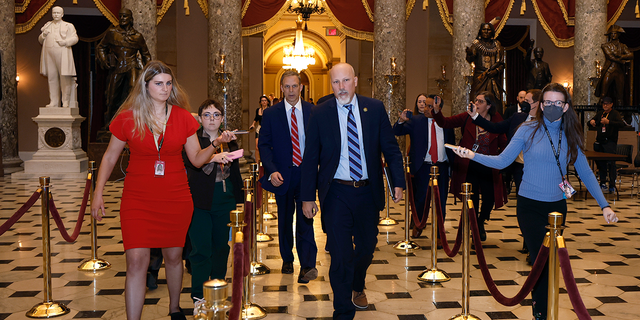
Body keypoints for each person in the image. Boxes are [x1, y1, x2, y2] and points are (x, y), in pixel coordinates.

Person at [452, 83, 618, 320]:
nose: (551, 107)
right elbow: (502, 161)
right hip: (529, 205)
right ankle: (541, 312)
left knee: (551, 264)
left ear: (565, 107)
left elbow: (586, 172)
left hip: (557, 208)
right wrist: (472, 155)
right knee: (542, 263)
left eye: (557, 103)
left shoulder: (570, 134)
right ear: (540, 105)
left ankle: (543, 308)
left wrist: (605, 205)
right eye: (547, 102)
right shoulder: (526, 130)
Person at [90, 61, 218, 320]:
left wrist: (215, 144)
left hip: (176, 197)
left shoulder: (183, 117)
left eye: (168, 83)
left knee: (174, 257)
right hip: (137, 198)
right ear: (145, 86)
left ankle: (174, 308)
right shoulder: (127, 117)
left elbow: (195, 158)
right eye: (159, 83)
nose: (165, 88)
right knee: (136, 260)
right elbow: (110, 157)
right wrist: (98, 192)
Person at [301, 63, 405, 319]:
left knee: (367, 247)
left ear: (355, 81)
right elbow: (310, 156)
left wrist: (398, 181)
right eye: (336, 83)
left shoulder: (375, 109)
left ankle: (358, 283)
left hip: (367, 193)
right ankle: (343, 310)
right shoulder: (320, 112)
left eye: (345, 81)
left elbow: (390, 149)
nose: (341, 87)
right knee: (340, 253)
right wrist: (306, 196)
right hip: (336, 193)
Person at [258, 70, 318, 283]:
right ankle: (286, 258)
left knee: (306, 219)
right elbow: (264, 145)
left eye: (295, 86)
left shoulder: (313, 111)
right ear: (281, 88)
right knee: (284, 220)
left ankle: (308, 265)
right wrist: (272, 169)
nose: (291, 91)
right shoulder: (271, 114)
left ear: (301, 87)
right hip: (281, 175)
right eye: (287, 87)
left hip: (305, 175)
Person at [184, 99, 242, 303]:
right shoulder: (192, 140)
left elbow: (234, 173)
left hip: (225, 200)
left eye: (216, 115)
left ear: (222, 118)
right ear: (200, 118)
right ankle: (199, 297)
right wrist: (214, 156)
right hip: (199, 200)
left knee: (221, 248)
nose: (212, 119)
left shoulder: (229, 139)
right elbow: (193, 164)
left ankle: (218, 293)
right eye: (207, 115)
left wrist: (239, 198)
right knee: (201, 250)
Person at [432, 91, 507, 241]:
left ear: (489, 105)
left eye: (480, 101)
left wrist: (503, 160)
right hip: (469, 164)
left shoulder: (497, 119)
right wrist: (436, 110)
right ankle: (475, 227)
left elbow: (503, 142)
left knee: (489, 198)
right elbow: (445, 123)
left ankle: (480, 222)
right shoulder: (467, 116)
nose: (476, 104)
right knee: (472, 197)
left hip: (489, 164)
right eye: (476, 101)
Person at [393, 94, 455, 238]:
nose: (425, 108)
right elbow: (397, 131)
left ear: (438, 107)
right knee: (421, 199)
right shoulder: (416, 120)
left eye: (429, 106)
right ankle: (419, 224)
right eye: (425, 105)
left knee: (441, 201)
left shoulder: (446, 123)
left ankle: (440, 235)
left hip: (442, 167)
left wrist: (453, 167)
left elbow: (451, 145)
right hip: (423, 166)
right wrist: (401, 121)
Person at [471, 89, 541, 195]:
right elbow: (495, 127)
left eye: (527, 100)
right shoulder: (518, 117)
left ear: (537, 103)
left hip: (538, 166)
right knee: (522, 195)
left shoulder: (546, 121)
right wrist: (475, 116)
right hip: (519, 166)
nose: (523, 103)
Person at [97, 8, 152, 125]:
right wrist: (104, 59)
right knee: (112, 95)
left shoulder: (137, 36)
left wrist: (148, 72)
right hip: (117, 67)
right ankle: (110, 123)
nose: (122, 18)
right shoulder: (112, 33)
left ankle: (132, 120)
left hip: (132, 65)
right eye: (120, 16)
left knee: (133, 91)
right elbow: (101, 47)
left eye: (125, 16)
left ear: (130, 19)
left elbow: (146, 54)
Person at [38, 6, 78, 108]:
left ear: (62, 14)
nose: (55, 15)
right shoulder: (48, 25)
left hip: (62, 52)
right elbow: (40, 40)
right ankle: (54, 102)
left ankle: (65, 101)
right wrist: (43, 35)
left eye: (57, 13)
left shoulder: (68, 26)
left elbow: (75, 38)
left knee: (64, 77)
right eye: (54, 13)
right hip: (49, 53)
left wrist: (65, 42)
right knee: (52, 77)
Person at [588, 97, 625, 193]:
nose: (605, 105)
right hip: (600, 142)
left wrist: (609, 122)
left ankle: (612, 185)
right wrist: (591, 122)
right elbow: (591, 122)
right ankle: (603, 183)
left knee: (611, 164)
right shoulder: (600, 113)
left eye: (607, 104)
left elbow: (621, 124)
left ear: (611, 104)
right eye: (604, 104)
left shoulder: (614, 114)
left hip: (610, 142)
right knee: (601, 164)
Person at [466, 22, 504, 107]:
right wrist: (469, 54)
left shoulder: (497, 44)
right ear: (480, 31)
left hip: (493, 76)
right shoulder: (476, 44)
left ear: (492, 31)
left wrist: (495, 71)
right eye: (484, 29)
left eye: (488, 30)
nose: (486, 32)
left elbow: (501, 64)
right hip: (480, 76)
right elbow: (470, 60)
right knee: (476, 97)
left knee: (494, 101)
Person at [595, 25, 633, 106]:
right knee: (603, 93)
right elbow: (610, 57)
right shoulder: (605, 45)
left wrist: (621, 56)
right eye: (611, 33)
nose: (613, 35)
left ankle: (620, 114)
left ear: (618, 34)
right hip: (609, 70)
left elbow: (631, 55)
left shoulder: (623, 46)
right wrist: (622, 61)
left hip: (619, 72)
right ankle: (599, 112)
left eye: (615, 33)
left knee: (620, 95)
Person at [249, 95, 270, 162]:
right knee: (257, 147)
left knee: (267, 146)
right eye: (262, 101)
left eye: (265, 100)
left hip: (267, 129)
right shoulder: (258, 110)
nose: (263, 102)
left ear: (267, 102)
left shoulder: (270, 110)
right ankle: (257, 163)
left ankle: (266, 161)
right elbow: (256, 118)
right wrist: (253, 124)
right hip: (259, 128)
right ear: (260, 102)